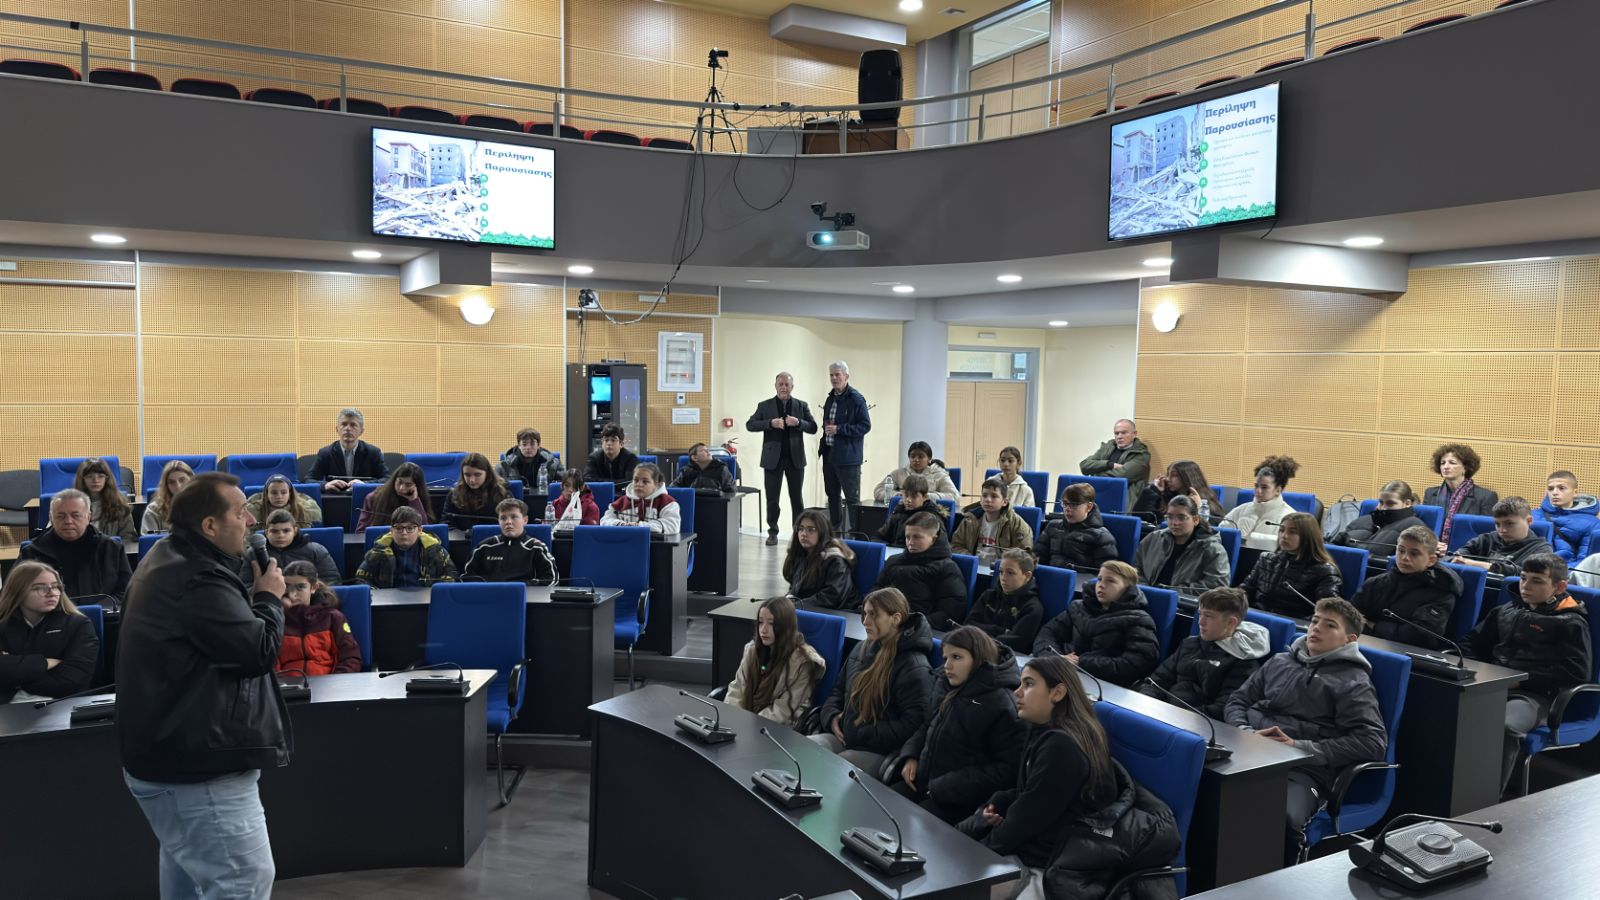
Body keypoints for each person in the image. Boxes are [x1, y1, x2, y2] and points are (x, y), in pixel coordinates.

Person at [117, 471, 289, 899]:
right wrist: (268, 597)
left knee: (189, 882)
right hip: (199, 770)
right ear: (210, 525)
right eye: (241, 511)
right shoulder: (197, 579)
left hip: (176, 757)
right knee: (242, 882)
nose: (251, 521)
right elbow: (257, 652)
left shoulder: (169, 559)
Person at [958, 655, 1180, 900]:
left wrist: (979, 851)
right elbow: (1034, 794)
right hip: (1047, 849)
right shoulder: (1046, 731)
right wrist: (1002, 801)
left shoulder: (1062, 747)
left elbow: (1027, 818)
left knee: (961, 885)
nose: (1017, 691)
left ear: (1058, 693)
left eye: (1029, 684)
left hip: (1059, 867)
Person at [1225, 597, 1387, 862]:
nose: (1316, 628)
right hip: (1252, 752)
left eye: (1330, 625)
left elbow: (1372, 742)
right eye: (1314, 621)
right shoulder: (1280, 661)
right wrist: (1246, 732)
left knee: (1281, 816)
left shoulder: (1353, 682)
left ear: (1349, 640)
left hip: (1304, 770)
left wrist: (1298, 747)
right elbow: (1237, 701)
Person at [1466, 553, 1592, 795]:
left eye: (1537, 581)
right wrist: (1477, 669)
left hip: (1535, 696)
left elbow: (1576, 672)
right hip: (1491, 685)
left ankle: (1485, 797)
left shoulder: (1570, 622)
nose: (1525, 586)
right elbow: (1471, 643)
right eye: (1523, 578)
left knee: (1506, 726)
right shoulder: (1505, 610)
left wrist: (1520, 680)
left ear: (1559, 586)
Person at [891, 626, 1026, 824]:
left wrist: (945, 786)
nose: (947, 665)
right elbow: (927, 725)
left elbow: (1007, 770)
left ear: (979, 658)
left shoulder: (1003, 704)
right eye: (946, 658)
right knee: (880, 807)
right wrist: (911, 754)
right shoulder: (945, 684)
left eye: (956, 657)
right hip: (922, 783)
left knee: (902, 825)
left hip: (957, 802)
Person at [809, 588, 933, 776]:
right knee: (805, 751)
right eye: (865, 614)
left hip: (879, 750)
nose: (865, 621)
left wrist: (862, 732)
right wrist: (832, 717)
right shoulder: (860, 649)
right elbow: (838, 691)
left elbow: (913, 725)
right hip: (845, 737)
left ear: (896, 618)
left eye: (873, 615)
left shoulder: (913, 665)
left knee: (833, 772)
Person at [1140, 587, 1269, 719]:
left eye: (1208, 616)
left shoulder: (1243, 662)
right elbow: (1156, 681)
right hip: (1160, 713)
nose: (1200, 622)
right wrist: (1147, 704)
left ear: (1231, 622)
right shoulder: (1189, 644)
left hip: (1192, 723)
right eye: (1200, 614)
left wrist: (1176, 717)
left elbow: (1222, 709)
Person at [1032, 560, 1161, 686]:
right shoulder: (1078, 607)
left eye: (1110, 581)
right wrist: (1055, 657)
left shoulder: (1139, 619)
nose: (1101, 585)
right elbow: (1047, 633)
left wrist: (1080, 663)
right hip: (1063, 672)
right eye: (1099, 579)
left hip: (1103, 684)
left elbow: (1138, 663)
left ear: (1128, 588)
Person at [0, 561, 99, 704]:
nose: (51, 593)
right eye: (39, 588)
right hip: (6, 707)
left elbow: (73, 679)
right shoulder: (3, 625)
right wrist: (44, 663)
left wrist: (15, 676)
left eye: (55, 586)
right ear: (17, 592)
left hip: (62, 704)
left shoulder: (79, 624)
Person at [1351, 525, 1461, 649]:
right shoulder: (1375, 582)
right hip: (1362, 645)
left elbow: (1422, 637)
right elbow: (1349, 618)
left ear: (1431, 560)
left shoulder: (1442, 592)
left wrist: (1376, 626)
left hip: (1407, 654)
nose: (1405, 558)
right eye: (1401, 551)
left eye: (1414, 554)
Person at [724, 596, 826, 728]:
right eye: (761, 622)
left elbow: (783, 711)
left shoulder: (803, 662)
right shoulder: (753, 650)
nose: (763, 629)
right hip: (746, 723)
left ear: (785, 626)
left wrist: (748, 726)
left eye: (771, 623)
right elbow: (737, 688)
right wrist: (732, 720)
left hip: (779, 730)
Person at [20, 489, 132, 605]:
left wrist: (94, 610)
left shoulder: (112, 549)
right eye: (61, 516)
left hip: (103, 614)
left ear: (88, 517)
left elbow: (126, 593)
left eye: (75, 515)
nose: (68, 521)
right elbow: (19, 595)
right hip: (52, 614)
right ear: (52, 519)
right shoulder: (32, 552)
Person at [747, 371, 818, 546]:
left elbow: (813, 427)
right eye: (781, 384)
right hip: (772, 460)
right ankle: (772, 532)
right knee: (772, 499)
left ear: (792, 387)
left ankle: (798, 534)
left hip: (795, 460)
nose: (784, 387)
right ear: (775, 386)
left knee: (796, 499)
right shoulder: (764, 406)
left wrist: (799, 423)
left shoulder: (802, 405)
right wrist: (770, 423)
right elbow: (750, 424)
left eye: (787, 385)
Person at [874, 511, 969, 631]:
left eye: (917, 537)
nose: (910, 542)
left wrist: (913, 624)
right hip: (887, 624)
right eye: (907, 537)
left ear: (934, 539)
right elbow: (877, 591)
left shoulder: (947, 568)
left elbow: (951, 612)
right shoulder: (894, 561)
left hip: (920, 630)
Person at [1241, 512, 1342, 617]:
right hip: (1255, 619)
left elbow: (1328, 612)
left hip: (1295, 624)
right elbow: (1245, 591)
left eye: (1292, 532)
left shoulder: (1324, 571)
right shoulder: (1266, 559)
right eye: (1281, 530)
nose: (1284, 536)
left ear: (1308, 537)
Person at [276, 561, 361, 676]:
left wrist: (337, 682)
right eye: (287, 586)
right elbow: (268, 662)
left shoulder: (333, 618)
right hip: (286, 684)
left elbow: (351, 657)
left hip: (328, 682)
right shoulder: (276, 619)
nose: (292, 594)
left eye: (300, 587)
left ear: (313, 588)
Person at [1131, 495, 1231, 592]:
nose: (1175, 523)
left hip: (1183, 601)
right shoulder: (1153, 538)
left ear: (1195, 520)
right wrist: (1146, 589)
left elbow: (1217, 585)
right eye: (1170, 517)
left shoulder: (1212, 549)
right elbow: (1136, 568)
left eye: (1181, 518)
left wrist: (1174, 592)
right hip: (1146, 595)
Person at [819, 360, 871, 534]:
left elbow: (865, 426)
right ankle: (835, 531)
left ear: (846, 376)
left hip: (848, 457)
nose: (834, 378)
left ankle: (856, 534)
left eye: (837, 374)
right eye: (831, 375)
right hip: (829, 454)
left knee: (851, 498)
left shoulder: (856, 399)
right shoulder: (830, 398)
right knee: (832, 495)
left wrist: (840, 429)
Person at [354, 506, 458, 588]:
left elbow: (451, 574)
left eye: (410, 528)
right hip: (388, 601)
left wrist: (435, 592)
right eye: (398, 528)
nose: (404, 533)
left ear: (420, 530)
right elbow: (362, 578)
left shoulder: (434, 550)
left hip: (425, 600)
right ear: (391, 530)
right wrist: (377, 595)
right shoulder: (378, 551)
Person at [1451, 496, 1554, 577]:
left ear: (1529, 521)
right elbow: (1456, 557)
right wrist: (1457, 559)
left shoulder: (1542, 549)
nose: (1502, 530)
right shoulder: (1486, 539)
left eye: (1509, 524)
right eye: (1497, 524)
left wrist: (1476, 565)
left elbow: (1528, 574)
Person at [966, 549, 1045, 653]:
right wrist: (1000, 630)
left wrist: (981, 637)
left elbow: (1016, 642)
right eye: (1001, 572)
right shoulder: (989, 595)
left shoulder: (1033, 607)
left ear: (1027, 576)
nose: (1003, 578)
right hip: (974, 647)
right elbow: (968, 624)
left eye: (1010, 573)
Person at [463, 499, 558, 585]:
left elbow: (551, 580)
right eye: (503, 518)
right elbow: (467, 577)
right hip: (489, 595)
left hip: (524, 596)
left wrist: (522, 587)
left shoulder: (536, 548)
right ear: (499, 521)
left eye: (514, 517)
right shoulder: (484, 547)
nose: (508, 522)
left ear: (525, 520)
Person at [1424, 443, 1499, 547]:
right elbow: (1424, 527)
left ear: (1465, 468)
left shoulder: (1486, 496)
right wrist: (1433, 545)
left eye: (1452, 463)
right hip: (1432, 549)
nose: (1446, 467)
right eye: (1442, 463)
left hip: (1465, 551)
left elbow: (1486, 535)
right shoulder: (1430, 493)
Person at [782, 509, 859, 610]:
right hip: (810, 607)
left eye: (811, 529)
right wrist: (788, 600)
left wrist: (796, 605)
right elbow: (796, 588)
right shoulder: (801, 555)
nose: (803, 534)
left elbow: (832, 596)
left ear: (822, 532)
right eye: (801, 529)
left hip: (842, 611)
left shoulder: (835, 560)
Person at [1330, 480, 1426, 560]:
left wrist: (1346, 540)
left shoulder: (1414, 526)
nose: (1383, 508)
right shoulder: (1366, 519)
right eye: (1381, 502)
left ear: (1407, 503)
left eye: (1390, 503)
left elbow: (1377, 553)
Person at [1036, 482, 1120, 574]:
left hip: (1081, 581)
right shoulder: (1053, 526)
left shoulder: (1101, 536)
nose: (1067, 509)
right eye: (1065, 503)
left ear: (1089, 507)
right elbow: (1038, 559)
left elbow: (1106, 574)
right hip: (1050, 577)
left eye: (1073, 505)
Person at [1222, 455, 1300, 552]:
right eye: (1256, 486)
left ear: (1278, 490)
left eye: (1264, 487)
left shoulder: (1289, 518)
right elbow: (1220, 535)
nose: (1258, 491)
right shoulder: (1240, 510)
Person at [951, 477, 1034, 566]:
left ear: (1005, 502)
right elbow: (956, 545)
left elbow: (1023, 555)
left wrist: (1000, 566)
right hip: (973, 567)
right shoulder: (969, 520)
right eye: (984, 495)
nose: (988, 499)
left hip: (1000, 570)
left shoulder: (1017, 524)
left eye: (994, 496)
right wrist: (971, 561)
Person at [310, 407, 388, 491]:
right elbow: (308, 480)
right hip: (335, 496)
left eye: (353, 425)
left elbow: (387, 479)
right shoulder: (326, 453)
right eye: (344, 424)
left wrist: (364, 485)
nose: (348, 428)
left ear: (361, 431)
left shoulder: (373, 452)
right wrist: (325, 485)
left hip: (363, 496)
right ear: (337, 429)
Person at [1534, 470, 1599, 563]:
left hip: (1564, 569)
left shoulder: (1592, 523)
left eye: (1561, 488)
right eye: (1551, 489)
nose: (1555, 492)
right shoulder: (1532, 515)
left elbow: (1585, 562)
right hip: (1532, 567)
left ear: (1575, 492)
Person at [1079, 418, 1152, 499]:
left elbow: (1120, 477)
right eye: (1116, 433)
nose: (1119, 436)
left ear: (1134, 434)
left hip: (1123, 499)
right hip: (1099, 494)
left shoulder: (1141, 454)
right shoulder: (1108, 446)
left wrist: (1094, 474)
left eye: (1124, 433)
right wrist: (1110, 464)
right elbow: (1084, 465)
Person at [262, 509, 339, 584]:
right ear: (266, 532)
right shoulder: (257, 553)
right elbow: (253, 585)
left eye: (286, 531)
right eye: (274, 531)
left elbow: (331, 580)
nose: (280, 535)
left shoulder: (315, 550)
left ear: (295, 531)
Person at [1131, 459, 1221, 524]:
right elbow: (1140, 518)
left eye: (1174, 475)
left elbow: (1210, 530)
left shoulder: (1202, 502)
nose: (1167, 479)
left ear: (1187, 478)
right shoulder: (1164, 496)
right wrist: (1154, 490)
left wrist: (1199, 508)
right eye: (1167, 474)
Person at [600, 464, 681, 534]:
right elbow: (604, 521)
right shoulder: (621, 502)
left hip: (655, 545)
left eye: (645, 481)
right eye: (636, 480)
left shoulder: (667, 502)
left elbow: (672, 525)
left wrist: (639, 526)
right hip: (625, 543)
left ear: (656, 484)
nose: (639, 484)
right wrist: (621, 525)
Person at [873, 441, 959, 504]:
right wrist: (899, 495)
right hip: (903, 511)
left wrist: (926, 497)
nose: (916, 460)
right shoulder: (898, 474)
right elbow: (878, 491)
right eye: (913, 456)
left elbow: (955, 497)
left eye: (920, 457)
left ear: (929, 459)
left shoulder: (939, 475)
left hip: (929, 513)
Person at [441, 452, 509, 531]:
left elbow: (510, 522)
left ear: (487, 474)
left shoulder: (503, 493)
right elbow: (446, 523)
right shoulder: (454, 495)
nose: (472, 480)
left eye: (477, 475)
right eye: (467, 475)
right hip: (461, 537)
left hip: (495, 536)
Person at [75, 456, 136, 543]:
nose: (95, 480)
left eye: (100, 476)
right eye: (90, 476)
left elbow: (129, 537)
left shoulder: (119, 505)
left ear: (107, 479)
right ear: (82, 479)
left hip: (111, 550)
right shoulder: (70, 505)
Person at [876, 474, 948, 547]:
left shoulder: (932, 518)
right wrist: (889, 548)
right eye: (906, 495)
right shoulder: (898, 513)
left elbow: (941, 545)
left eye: (914, 497)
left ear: (925, 497)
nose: (908, 500)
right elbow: (878, 538)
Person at [356, 462, 432, 531]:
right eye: (400, 482)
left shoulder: (419, 499)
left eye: (408, 484)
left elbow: (425, 531)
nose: (401, 488)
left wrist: (414, 501)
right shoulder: (374, 497)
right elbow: (360, 531)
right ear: (394, 480)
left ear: (417, 487)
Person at [495, 427, 565, 495]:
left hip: (544, 500)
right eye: (524, 444)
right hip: (514, 500)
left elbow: (564, 485)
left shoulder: (552, 463)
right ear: (519, 445)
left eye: (532, 444)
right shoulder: (504, 466)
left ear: (538, 445)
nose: (528, 448)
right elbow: (496, 488)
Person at [244, 474, 321, 530]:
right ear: (266, 495)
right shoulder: (253, 511)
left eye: (283, 492)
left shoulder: (305, 509)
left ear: (290, 494)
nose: (279, 496)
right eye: (274, 493)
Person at [141, 459, 194, 534]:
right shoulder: (154, 510)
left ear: (192, 480)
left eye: (182, 480)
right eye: (171, 482)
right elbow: (149, 539)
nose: (178, 486)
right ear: (166, 486)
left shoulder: (205, 507)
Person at [583, 422, 638, 489]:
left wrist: (600, 482)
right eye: (606, 440)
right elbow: (588, 480)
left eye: (613, 440)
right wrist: (617, 483)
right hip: (600, 493)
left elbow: (630, 482)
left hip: (622, 494)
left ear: (621, 444)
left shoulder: (630, 458)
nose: (609, 443)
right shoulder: (594, 458)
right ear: (602, 443)